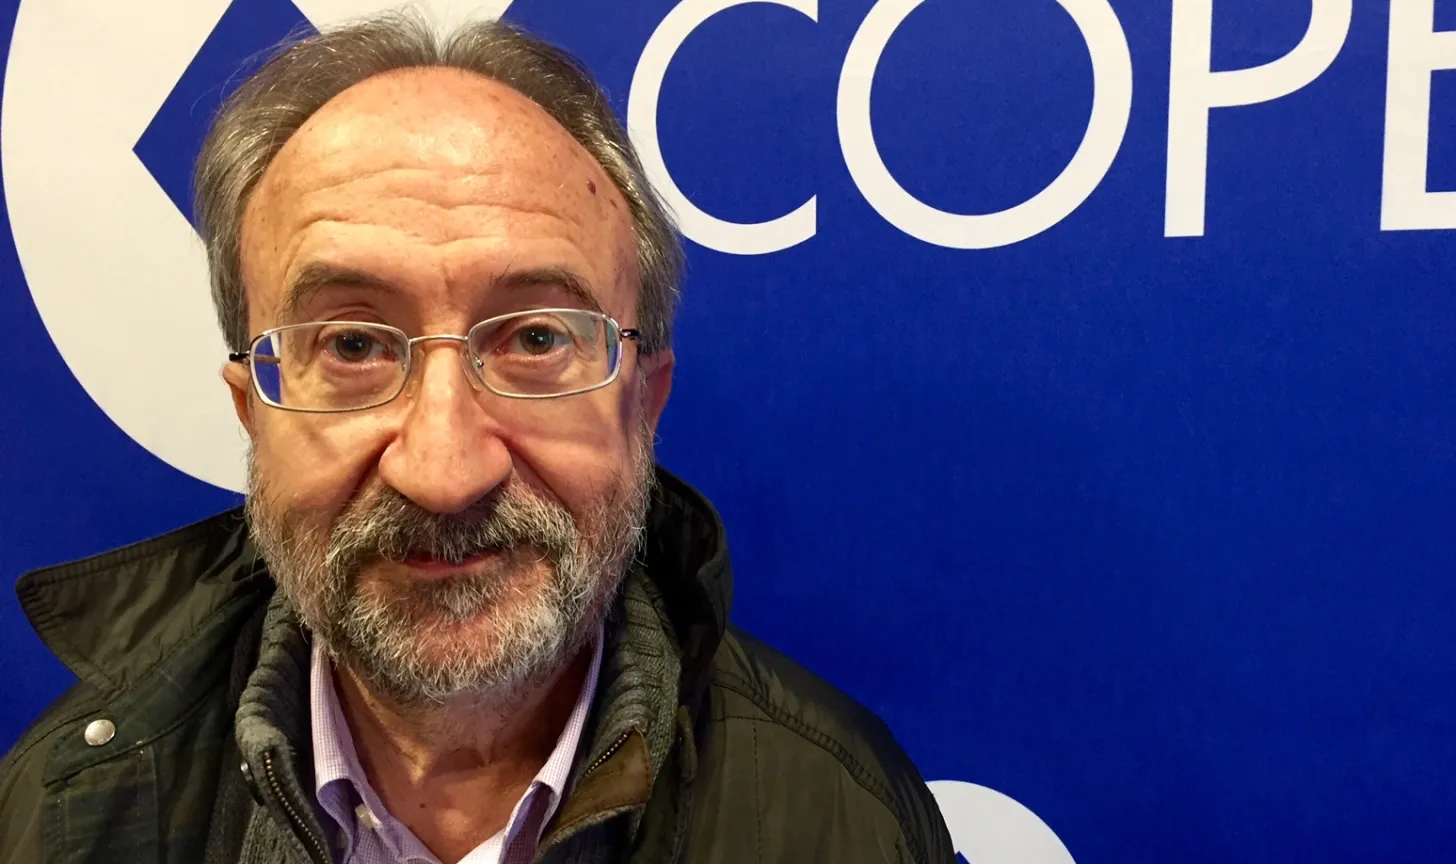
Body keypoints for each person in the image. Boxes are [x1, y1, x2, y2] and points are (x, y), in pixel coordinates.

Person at [0, 12, 954, 864]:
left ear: (643, 404)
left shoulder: (842, 817)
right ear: (254, 412)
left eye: (536, 338)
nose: (445, 471)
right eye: (354, 345)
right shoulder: (64, 817)